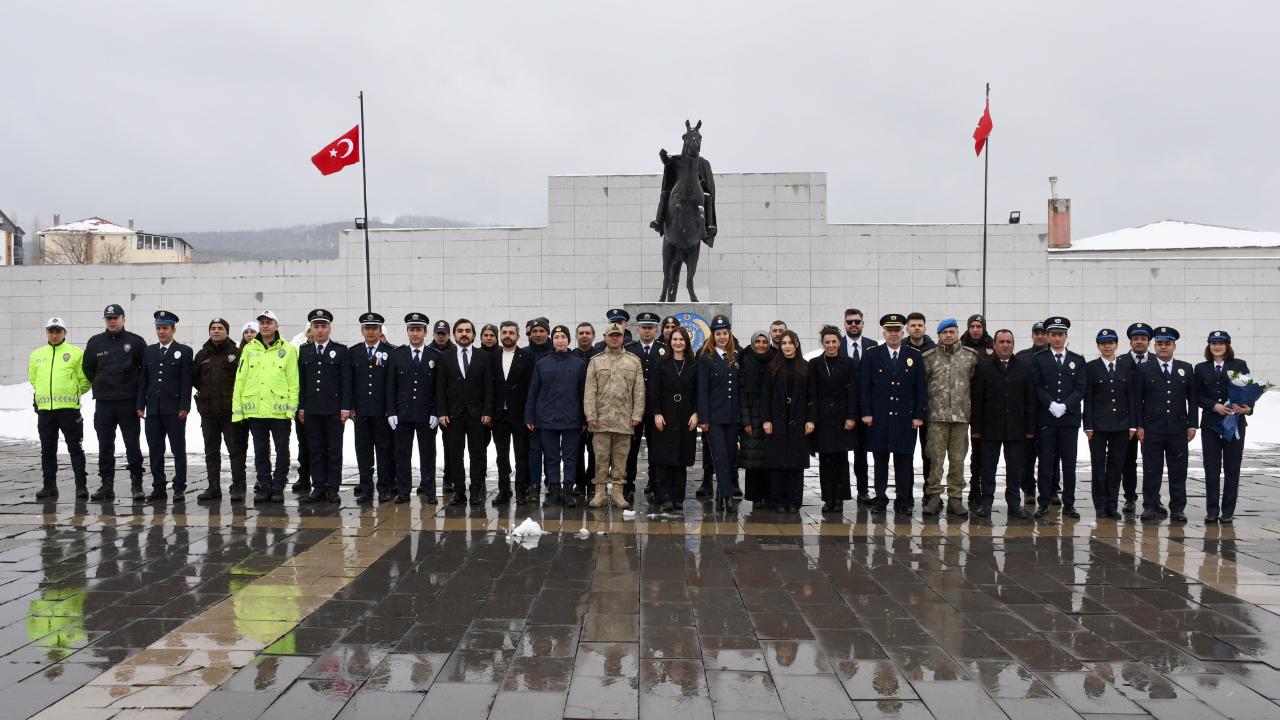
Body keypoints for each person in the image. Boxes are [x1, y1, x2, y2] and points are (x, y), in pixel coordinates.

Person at [859, 314, 925, 516]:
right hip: (880, 418)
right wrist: (866, 413)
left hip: (905, 418)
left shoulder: (913, 355)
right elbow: (865, 386)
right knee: (880, 461)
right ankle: (880, 498)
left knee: (904, 460)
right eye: (890, 330)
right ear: (884, 332)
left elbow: (920, 388)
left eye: (897, 330)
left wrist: (918, 415)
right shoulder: (872, 355)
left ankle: (903, 500)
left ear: (902, 332)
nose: (894, 334)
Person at [232, 310, 299, 504]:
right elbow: (241, 379)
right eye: (262, 322)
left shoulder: (287, 349)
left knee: (282, 450)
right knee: (260, 451)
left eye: (269, 322)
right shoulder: (249, 348)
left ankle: (278, 486)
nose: (265, 325)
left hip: (279, 411)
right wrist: (238, 410)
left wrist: (290, 410)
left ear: (276, 326)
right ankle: (264, 486)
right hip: (256, 409)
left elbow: (293, 382)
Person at [82, 303, 147, 502]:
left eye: (115, 318)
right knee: (105, 444)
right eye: (108, 318)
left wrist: (139, 399)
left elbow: (144, 370)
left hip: (128, 402)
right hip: (104, 402)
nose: (112, 321)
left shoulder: (135, 342)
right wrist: (101, 383)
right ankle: (106, 485)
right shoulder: (95, 342)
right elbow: (88, 368)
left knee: (132, 444)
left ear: (123, 319)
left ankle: (137, 484)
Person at [969, 329, 1036, 518]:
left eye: (1009, 342)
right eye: (1002, 341)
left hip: (1017, 428)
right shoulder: (984, 367)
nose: (1006, 345)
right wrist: (976, 428)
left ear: (1013, 345)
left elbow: (1030, 400)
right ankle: (986, 503)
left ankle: (1014, 504)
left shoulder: (1024, 367)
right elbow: (977, 399)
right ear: (994, 345)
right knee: (988, 468)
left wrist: (1030, 428)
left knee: (1015, 468)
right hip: (990, 427)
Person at [1135, 326, 1197, 523]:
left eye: (1167, 343)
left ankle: (1178, 508)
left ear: (1174, 346)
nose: (1163, 347)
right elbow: (1137, 400)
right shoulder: (1144, 369)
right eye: (1160, 343)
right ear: (1154, 346)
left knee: (1178, 470)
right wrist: (1138, 425)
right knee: (1151, 469)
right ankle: (1150, 506)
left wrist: (1192, 424)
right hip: (1152, 428)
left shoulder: (1186, 368)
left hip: (1178, 429)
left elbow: (1192, 399)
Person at [921, 317, 979, 518]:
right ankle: (933, 497)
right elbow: (923, 387)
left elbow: (974, 385)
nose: (948, 335)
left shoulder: (970, 357)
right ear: (939, 335)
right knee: (935, 459)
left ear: (957, 333)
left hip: (961, 418)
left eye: (952, 332)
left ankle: (955, 499)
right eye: (944, 332)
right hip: (936, 418)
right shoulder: (928, 357)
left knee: (957, 460)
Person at [29, 317, 91, 500]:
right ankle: (49, 486)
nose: (54, 335)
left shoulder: (76, 353)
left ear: (65, 333)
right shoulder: (37, 355)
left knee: (75, 448)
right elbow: (33, 378)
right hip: (46, 411)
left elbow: (85, 380)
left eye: (58, 331)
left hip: (69, 410)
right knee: (47, 450)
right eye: (51, 331)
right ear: (47, 332)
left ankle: (81, 486)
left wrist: (73, 392)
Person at [1030, 317, 1087, 519]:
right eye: (1053, 335)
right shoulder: (1038, 359)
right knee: (1045, 462)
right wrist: (1051, 404)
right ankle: (1043, 502)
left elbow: (1081, 388)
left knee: (1069, 464)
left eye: (1060, 335)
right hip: (1047, 418)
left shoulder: (1077, 360)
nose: (1056, 338)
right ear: (1047, 336)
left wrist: (1065, 405)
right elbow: (1036, 386)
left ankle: (1069, 503)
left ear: (1065, 336)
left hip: (1068, 420)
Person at [585, 322, 646, 509]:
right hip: (601, 420)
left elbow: (639, 391)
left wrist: (637, 414)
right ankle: (600, 493)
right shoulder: (596, 361)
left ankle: (618, 493)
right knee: (600, 458)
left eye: (617, 335)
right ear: (604, 337)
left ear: (623, 338)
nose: (614, 338)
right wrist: (590, 415)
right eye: (611, 335)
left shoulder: (634, 361)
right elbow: (589, 391)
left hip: (624, 420)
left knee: (621, 459)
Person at [526, 324, 587, 508]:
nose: (560, 340)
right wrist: (529, 416)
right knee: (551, 457)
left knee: (570, 457)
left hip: (572, 419)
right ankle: (554, 491)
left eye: (563, 337)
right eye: (556, 337)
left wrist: (585, 418)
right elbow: (533, 392)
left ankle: (568, 491)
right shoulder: (542, 363)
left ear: (569, 340)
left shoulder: (579, 363)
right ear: (552, 340)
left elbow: (583, 393)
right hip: (547, 418)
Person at [435, 319, 494, 507]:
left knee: (477, 454)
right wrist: (442, 412)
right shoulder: (445, 357)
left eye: (468, 330)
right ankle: (459, 492)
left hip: (478, 415)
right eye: (460, 330)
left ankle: (476, 491)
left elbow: (489, 387)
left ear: (474, 335)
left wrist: (487, 411)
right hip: (453, 415)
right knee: (455, 455)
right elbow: (440, 387)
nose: (464, 334)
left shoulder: (483, 357)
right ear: (454, 335)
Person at [136, 310, 193, 503]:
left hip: (174, 409)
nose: (161, 332)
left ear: (173, 329)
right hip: (153, 409)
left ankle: (179, 487)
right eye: (158, 328)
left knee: (178, 449)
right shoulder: (149, 351)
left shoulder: (184, 351)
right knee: (155, 449)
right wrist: (140, 403)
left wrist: (185, 404)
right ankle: (158, 487)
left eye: (165, 328)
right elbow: (144, 380)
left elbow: (186, 381)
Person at [297, 309, 351, 505]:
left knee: (334, 450)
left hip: (333, 410)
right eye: (316, 326)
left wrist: (345, 407)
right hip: (312, 409)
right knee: (315, 449)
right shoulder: (304, 351)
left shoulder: (341, 350)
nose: (320, 330)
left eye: (323, 326)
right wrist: (301, 407)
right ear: (311, 329)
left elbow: (346, 381)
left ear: (329, 328)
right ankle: (318, 486)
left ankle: (333, 488)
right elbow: (301, 383)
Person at [1196, 330, 1250, 524]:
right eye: (1213, 343)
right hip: (1211, 424)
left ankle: (1228, 511)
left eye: (1221, 343)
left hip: (1234, 423)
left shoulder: (1239, 365)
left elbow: (1248, 391)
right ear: (1208, 346)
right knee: (1211, 468)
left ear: (1228, 345)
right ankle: (1212, 510)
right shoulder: (1201, 368)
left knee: (1232, 468)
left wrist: (1247, 408)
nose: (1217, 346)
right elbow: (1197, 395)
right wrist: (1214, 406)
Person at [386, 312, 440, 504]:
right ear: (407, 332)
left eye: (419, 330)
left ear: (425, 332)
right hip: (403, 414)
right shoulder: (397, 355)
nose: (415, 333)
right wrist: (391, 411)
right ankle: (403, 491)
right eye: (412, 330)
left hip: (426, 414)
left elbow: (438, 388)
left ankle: (429, 489)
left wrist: (436, 412)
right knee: (402, 454)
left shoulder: (435, 355)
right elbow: (391, 386)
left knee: (428, 454)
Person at [192, 317, 246, 502]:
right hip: (208, 412)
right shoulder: (201, 354)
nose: (216, 331)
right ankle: (213, 487)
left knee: (235, 451)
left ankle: (238, 487)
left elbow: (243, 380)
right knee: (211, 452)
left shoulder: (236, 353)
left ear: (227, 331)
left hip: (230, 412)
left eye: (220, 328)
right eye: (213, 328)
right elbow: (196, 379)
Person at [1083, 329, 1134, 520]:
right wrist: (1087, 425)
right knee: (1098, 466)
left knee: (1116, 466)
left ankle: (1112, 504)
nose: (1107, 346)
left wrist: (1132, 425)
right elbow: (1088, 398)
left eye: (1110, 343)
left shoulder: (1125, 366)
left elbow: (1131, 396)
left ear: (1116, 345)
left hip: (1121, 425)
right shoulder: (1091, 367)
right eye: (1103, 343)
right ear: (1098, 346)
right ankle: (1100, 505)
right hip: (1098, 425)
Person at [648, 326, 699, 512]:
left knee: (681, 458)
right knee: (664, 458)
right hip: (666, 415)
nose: (678, 343)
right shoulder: (661, 363)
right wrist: (657, 413)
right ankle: (665, 497)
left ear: (687, 342)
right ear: (670, 342)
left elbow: (698, 392)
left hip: (686, 416)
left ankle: (678, 497)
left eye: (682, 339)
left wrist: (696, 412)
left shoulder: (694, 364)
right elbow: (654, 391)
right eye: (675, 339)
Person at [763, 330, 814, 514]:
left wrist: (810, 419)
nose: (787, 346)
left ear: (797, 344)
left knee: (795, 463)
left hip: (798, 419)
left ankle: (794, 501)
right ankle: (778, 500)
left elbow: (811, 396)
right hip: (777, 419)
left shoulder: (806, 367)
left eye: (790, 343)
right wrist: (767, 419)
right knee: (777, 463)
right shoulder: (773, 367)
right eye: (784, 343)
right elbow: (766, 396)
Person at [348, 312, 396, 503]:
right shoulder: (354, 352)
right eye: (367, 328)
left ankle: (384, 488)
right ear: (362, 331)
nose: (370, 332)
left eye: (374, 328)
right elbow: (349, 382)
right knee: (363, 451)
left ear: (380, 330)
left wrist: (390, 408)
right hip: (361, 411)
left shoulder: (390, 351)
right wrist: (350, 405)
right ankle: (365, 488)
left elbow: (392, 384)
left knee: (383, 451)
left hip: (381, 411)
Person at [809, 325, 857, 514]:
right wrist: (813, 418)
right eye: (827, 342)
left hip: (842, 416)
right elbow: (811, 392)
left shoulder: (848, 363)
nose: (831, 345)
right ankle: (828, 498)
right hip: (823, 418)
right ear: (823, 343)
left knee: (841, 459)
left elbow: (852, 391)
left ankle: (840, 498)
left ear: (839, 342)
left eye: (834, 342)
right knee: (826, 460)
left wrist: (851, 416)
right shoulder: (814, 364)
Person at [697, 315, 743, 511]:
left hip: (733, 417)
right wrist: (704, 418)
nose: (722, 337)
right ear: (713, 336)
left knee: (731, 456)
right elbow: (702, 391)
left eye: (725, 333)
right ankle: (727, 496)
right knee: (720, 456)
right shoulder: (706, 358)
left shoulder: (736, 356)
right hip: (714, 418)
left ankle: (721, 492)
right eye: (718, 334)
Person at [625, 311, 665, 503]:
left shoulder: (663, 350)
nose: (647, 331)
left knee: (656, 447)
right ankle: (629, 484)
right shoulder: (630, 349)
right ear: (638, 329)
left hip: (655, 408)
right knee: (631, 448)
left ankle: (655, 483)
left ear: (656, 330)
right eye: (643, 328)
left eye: (650, 328)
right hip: (633, 408)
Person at [494, 320, 535, 505]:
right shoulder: (493, 357)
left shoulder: (526, 357)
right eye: (504, 332)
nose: (507, 335)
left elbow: (530, 389)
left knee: (521, 454)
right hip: (498, 415)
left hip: (519, 415)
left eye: (511, 332)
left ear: (518, 336)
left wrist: (529, 414)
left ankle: (521, 490)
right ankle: (504, 490)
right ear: (500, 335)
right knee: (501, 455)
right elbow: (488, 387)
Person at [1116, 322, 1154, 515]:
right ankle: (1130, 498)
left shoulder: (1157, 360)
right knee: (1127, 461)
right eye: (1136, 339)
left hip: (1151, 421)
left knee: (1151, 462)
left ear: (1149, 341)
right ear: (1130, 341)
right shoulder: (1120, 361)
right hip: (1127, 420)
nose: (1139, 342)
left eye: (1143, 339)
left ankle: (1152, 500)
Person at [840, 308, 876, 504]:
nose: (853, 325)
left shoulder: (872, 346)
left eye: (857, 322)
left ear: (862, 324)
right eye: (850, 322)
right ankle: (841, 491)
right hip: (843, 410)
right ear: (845, 324)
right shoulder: (837, 345)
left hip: (864, 410)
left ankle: (863, 490)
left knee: (861, 453)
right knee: (840, 453)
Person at [1014, 321, 1048, 506]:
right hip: (1027, 414)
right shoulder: (1022, 357)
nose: (1040, 336)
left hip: (1048, 413)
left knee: (1050, 454)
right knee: (1027, 456)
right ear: (1032, 335)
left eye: (1043, 332)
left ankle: (1050, 490)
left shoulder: (1054, 356)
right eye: (1037, 333)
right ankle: (1028, 488)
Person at [739, 331, 773, 505]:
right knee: (753, 459)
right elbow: (742, 394)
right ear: (753, 343)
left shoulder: (775, 359)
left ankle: (769, 495)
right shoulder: (745, 360)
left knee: (769, 459)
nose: (761, 345)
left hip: (770, 416)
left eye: (764, 341)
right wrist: (745, 420)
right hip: (751, 417)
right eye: (757, 341)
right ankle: (755, 497)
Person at [572, 322, 600, 497]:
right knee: (576, 449)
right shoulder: (570, 356)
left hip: (596, 411)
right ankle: (580, 483)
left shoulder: (599, 356)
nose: (584, 336)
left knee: (595, 450)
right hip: (575, 410)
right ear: (576, 336)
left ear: (593, 336)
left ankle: (592, 482)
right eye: (581, 333)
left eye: (587, 333)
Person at [237, 321, 259, 493]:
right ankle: (239, 478)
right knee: (240, 445)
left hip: (259, 406)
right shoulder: (238, 353)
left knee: (260, 445)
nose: (249, 334)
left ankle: (261, 477)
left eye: (253, 331)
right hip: (242, 406)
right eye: (247, 332)